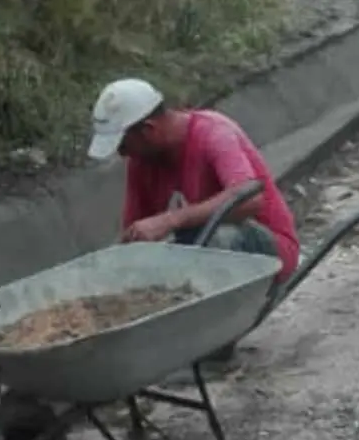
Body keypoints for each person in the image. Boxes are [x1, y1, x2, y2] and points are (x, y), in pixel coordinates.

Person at [88, 78, 300, 365]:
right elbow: (134, 241)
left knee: (215, 237)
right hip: (198, 252)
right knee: (150, 260)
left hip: (266, 252)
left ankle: (216, 346)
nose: (122, 153)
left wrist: (171, 220)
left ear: (149, 130)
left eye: (123, 145)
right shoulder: (142, 162)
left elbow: (249, 199)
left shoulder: (213, 133)